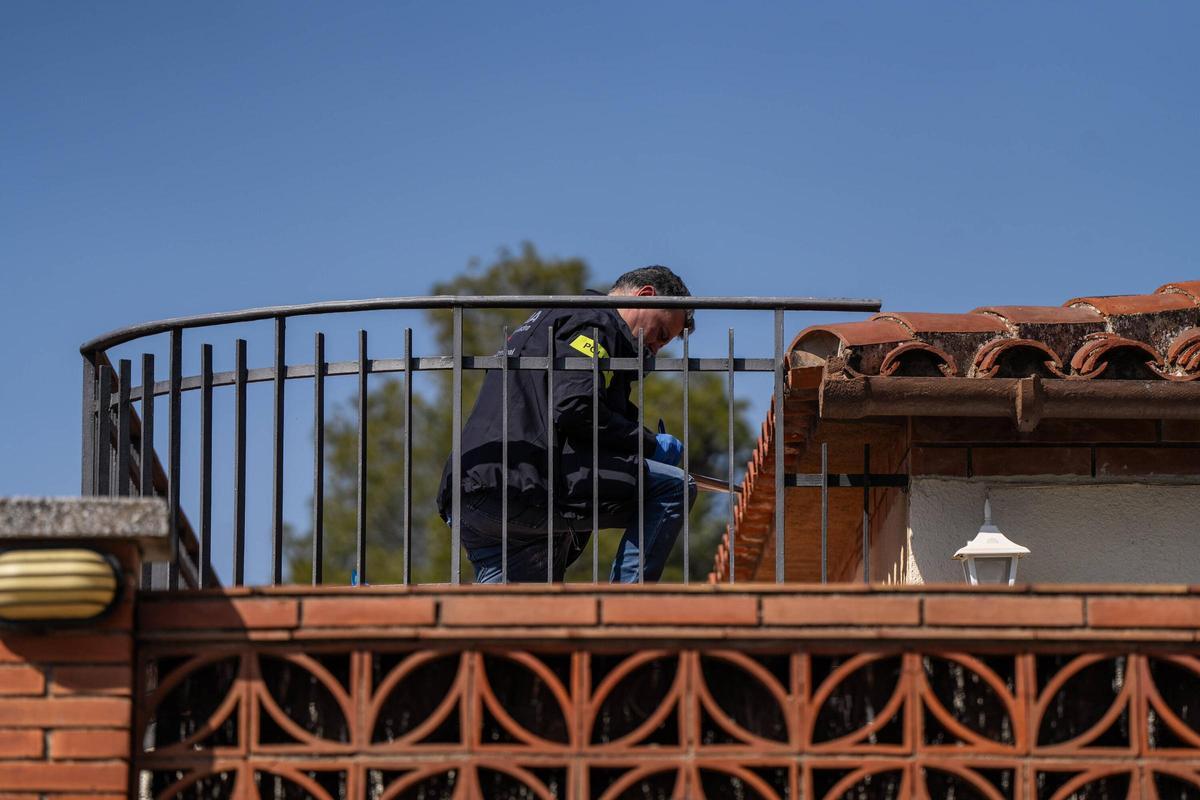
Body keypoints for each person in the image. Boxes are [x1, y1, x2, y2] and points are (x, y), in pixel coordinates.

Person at [436, 266, 698, 583]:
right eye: (660, 335)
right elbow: (576, 407)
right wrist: (650, 445)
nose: (655, 349)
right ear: (645, 296)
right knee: (674, 486)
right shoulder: (595, 320)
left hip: (474, 497)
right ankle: (626, 609)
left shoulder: (556, 317)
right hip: (520, 485)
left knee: (514, 624)